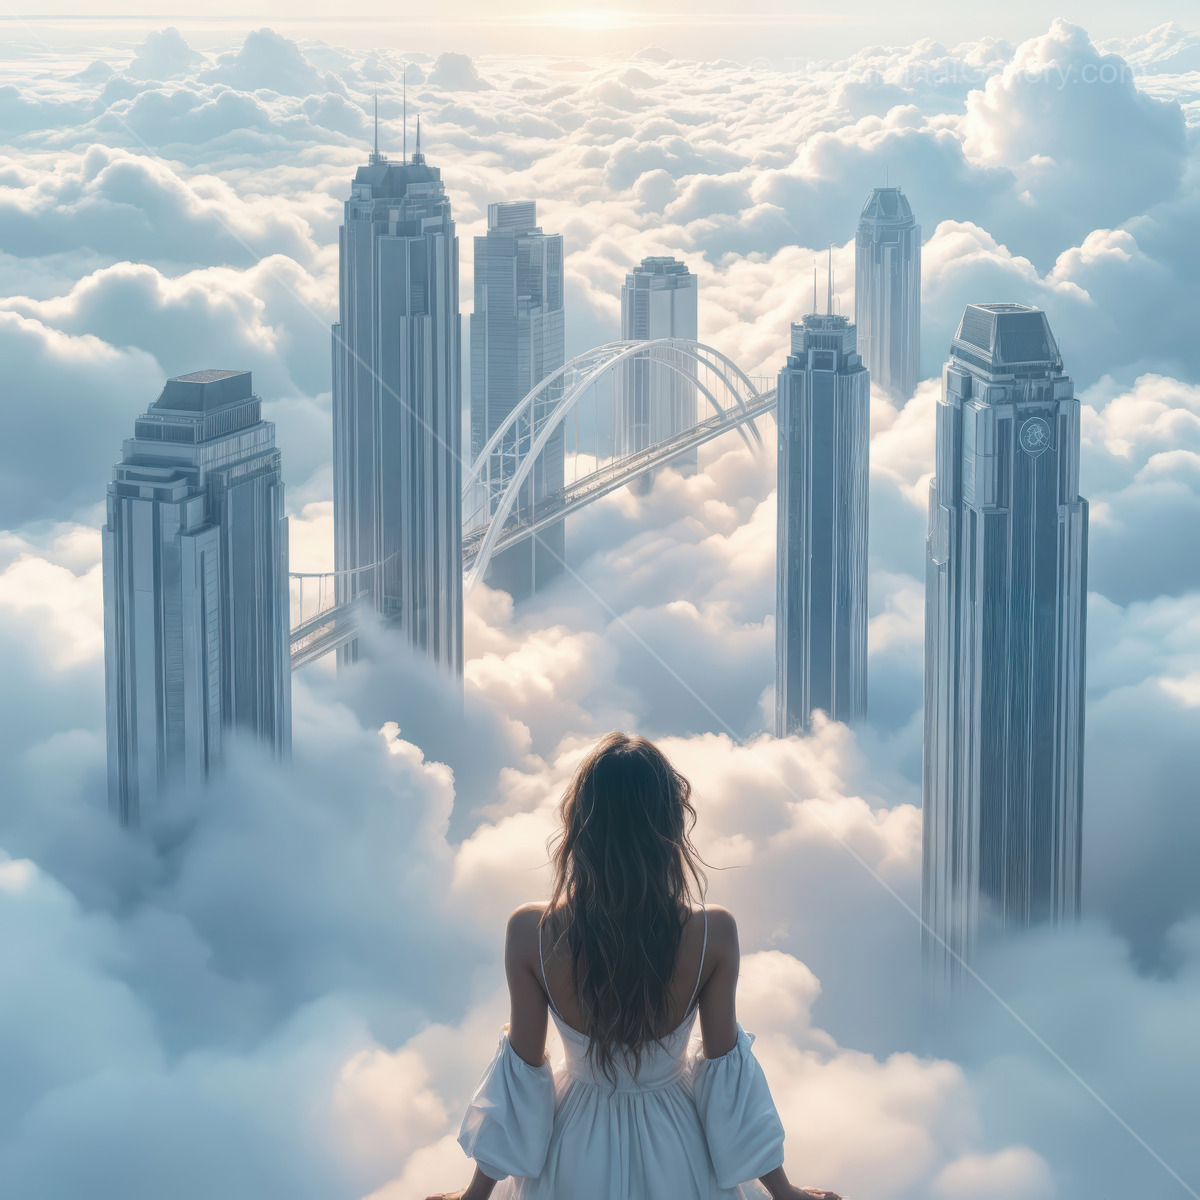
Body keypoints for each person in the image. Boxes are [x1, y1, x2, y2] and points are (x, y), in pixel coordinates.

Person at [427, 732, 841, 1200]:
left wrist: (474, 1196)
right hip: (679, 1146)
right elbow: (727, 1081)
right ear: (670, 825)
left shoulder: (532, 932)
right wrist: (784, 1193)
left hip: (573, 1147)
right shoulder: (712, 933)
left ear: (579, 825)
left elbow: (521, 1073)